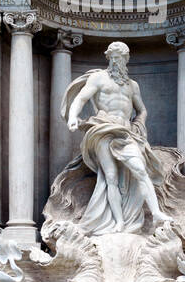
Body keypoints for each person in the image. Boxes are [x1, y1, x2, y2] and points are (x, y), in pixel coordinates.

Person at [63, 41, 168, 234]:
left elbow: (142, 110)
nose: (116, 61)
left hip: (126, 132)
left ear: (126, 59)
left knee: (140, 170)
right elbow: (81, 98)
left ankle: (156, 213)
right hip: (103, 128)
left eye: (120, 57)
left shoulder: (132, 85)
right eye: (113, 57)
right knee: (110, 176)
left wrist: (139, 124)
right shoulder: (98, 78)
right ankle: (119, 222)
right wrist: (72, 117)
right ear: (108, 58)